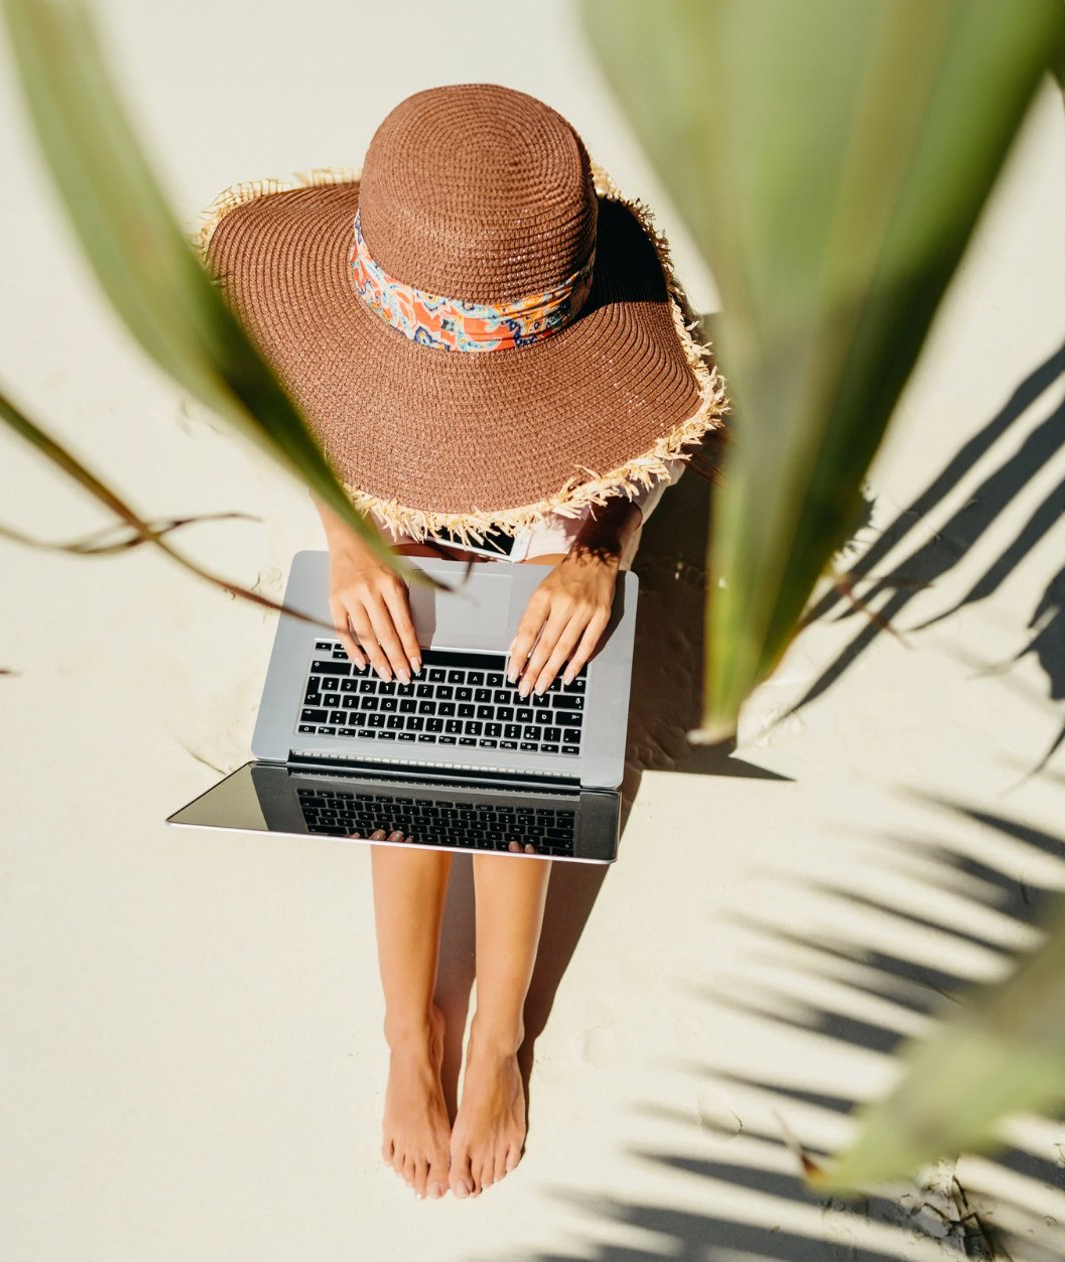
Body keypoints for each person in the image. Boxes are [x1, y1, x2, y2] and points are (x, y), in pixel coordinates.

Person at [197, 84, 726, 1201]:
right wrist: (345, 535)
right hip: (393, 487)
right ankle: (406, 1029)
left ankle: (495, 1032)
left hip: (556, 496)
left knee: (532, 686)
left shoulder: (597, 338)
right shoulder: (346, 346)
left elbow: (665, 445)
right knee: (400, 667)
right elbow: (294, 420)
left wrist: (603, 549)